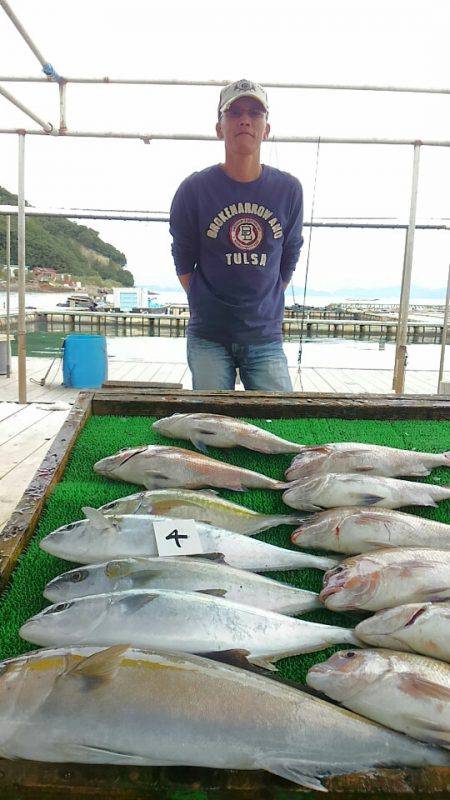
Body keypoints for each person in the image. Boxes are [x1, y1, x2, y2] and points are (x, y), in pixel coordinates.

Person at [169, 79, 304, 391]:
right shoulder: (194, 189)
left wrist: (264, 301)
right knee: (211, 427)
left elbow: (290, 253)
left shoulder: (288, 189)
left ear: (266, 129)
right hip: (209, 336)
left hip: (265, 336)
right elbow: (183, 258)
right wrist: (206, 303)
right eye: (234, 112)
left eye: (255, 113)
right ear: (219, 127)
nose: (245, 119)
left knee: (281, 420)